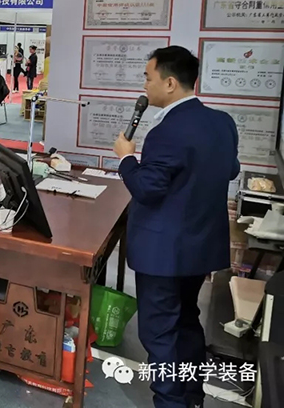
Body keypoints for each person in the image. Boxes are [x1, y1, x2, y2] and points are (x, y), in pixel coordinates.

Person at [113, 46, 240, 408]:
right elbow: (229, 170)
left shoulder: (167, 131)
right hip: (199, 248)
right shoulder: (222, 122)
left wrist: (126, 158)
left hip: (163, 254)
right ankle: (192, 397)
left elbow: (147, 189)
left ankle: (171, 402)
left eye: (148, 78)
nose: (145, 85)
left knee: (161, 334)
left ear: (170, 83)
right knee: (186, 321)